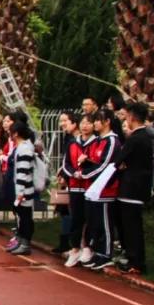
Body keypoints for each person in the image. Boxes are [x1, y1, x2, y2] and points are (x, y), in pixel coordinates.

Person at [112, 103, 153, 274]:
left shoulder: (135, 138)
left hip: (131, 189)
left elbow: (118, 160)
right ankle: (135, 260)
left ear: (132, 117)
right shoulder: (145, 137)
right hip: (138, 187)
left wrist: (122, 165)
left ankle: (135, 261)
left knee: (131, 227)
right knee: (133, 226)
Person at [78, 109, 121, 270]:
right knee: (94, 222)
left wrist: (85, 174)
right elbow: (94, 161)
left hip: (106, 189)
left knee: (105, 223)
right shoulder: (98, 141)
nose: (95, 123)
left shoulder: (112, 141)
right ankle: (97, 250)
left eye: (98, 120)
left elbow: (105, 165)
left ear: (107, 121)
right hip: (93, 189)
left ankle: (107, 254)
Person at [62, 113, 96, 267]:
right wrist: (74, 174)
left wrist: (85, 173)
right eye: (83, 123)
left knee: (89, 218)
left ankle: (88, 247)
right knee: (76, 218)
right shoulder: (72, 143)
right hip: (75, 186)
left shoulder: (97, 143)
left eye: (89, 123)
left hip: (90, 187)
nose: (85, 126)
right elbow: (66, 164)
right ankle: (75, 248)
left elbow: (98, 163)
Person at [52, 112, 81, 253]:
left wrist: (65, 173)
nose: (62, 124)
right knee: (64, 209)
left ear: (75, 123)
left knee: (72, 211)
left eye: (65, 121)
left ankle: (72, 243)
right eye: (61, 121)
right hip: (67, 177)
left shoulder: (77, 141)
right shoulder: (68, 138)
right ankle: (65, 242)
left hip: (75, 179)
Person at [8, 122, 36, 255]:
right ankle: (21, 240)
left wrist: (20, 192)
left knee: (25, 217)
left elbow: (22, 172)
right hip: (22, 188)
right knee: (21, 215)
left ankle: (25, 243)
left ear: (16, 134)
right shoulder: (22, 147)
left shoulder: (24, 149)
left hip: (25, 190)